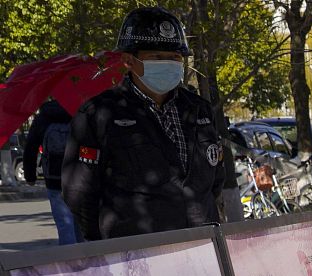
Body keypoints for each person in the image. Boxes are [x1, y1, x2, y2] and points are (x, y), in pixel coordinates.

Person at [62, 6, 224, 240]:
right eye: (157, 57)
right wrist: (108, 242)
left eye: (175, 58)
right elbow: (79, 192)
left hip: (201, 249)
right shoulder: (100, 113)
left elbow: (215, 180)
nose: (168, 63)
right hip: (137, 256)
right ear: (128, 60)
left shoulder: (199, 109)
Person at [22, 99, 80, 244]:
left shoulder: (44, 117)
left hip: (54, 179)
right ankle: (89, 263)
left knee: (64, 226)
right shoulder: (79, 112)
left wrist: (30, 176)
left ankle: (70, 263)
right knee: (82, 226)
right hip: (79, 177)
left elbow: (31, 147)